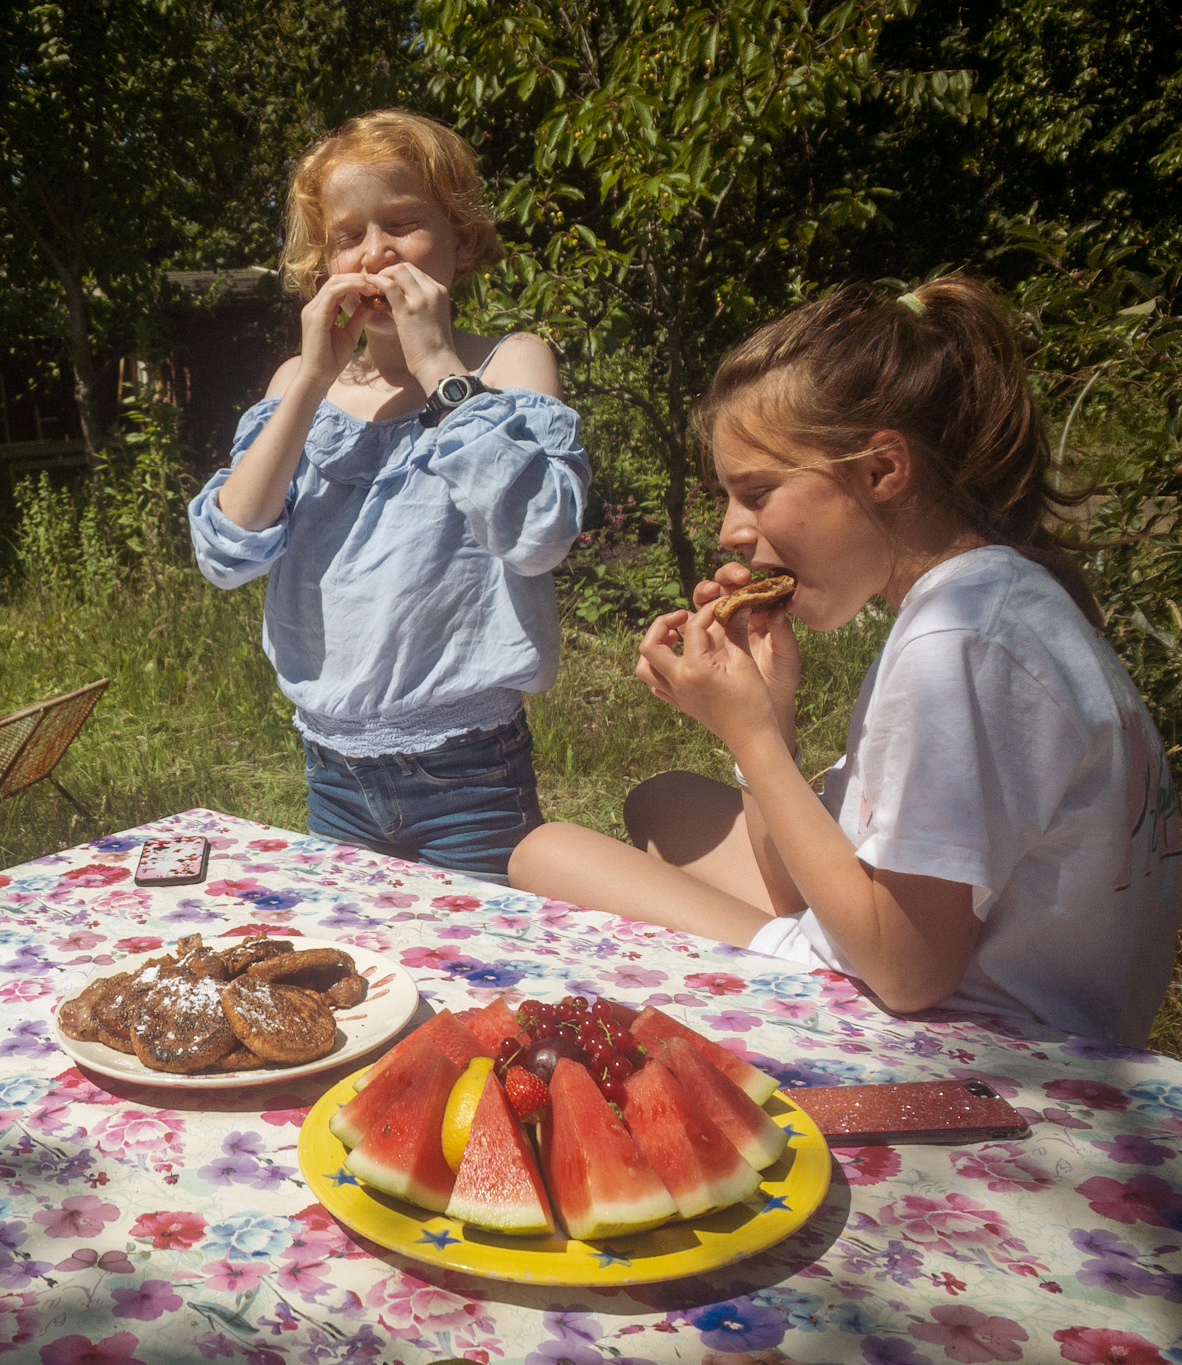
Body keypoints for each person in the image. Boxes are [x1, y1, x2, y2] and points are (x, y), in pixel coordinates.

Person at [508, 277, 1180, 1046]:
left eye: (758, 492)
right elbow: (799, 882)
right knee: (662, 799)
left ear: (881, 471)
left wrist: (754, 735)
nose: (730, 530)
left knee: (543, 850)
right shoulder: (997, 594)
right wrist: (769, 709)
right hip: (971, 966)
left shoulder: (953, 643)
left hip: (974, 1029)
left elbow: (909, 969)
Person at [188, 109, 589, 882]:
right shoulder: (299, 389)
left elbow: (541, 533)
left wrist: (439, 366)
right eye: (348, 235)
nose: (375, 252)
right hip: (334, 769)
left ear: (462, 239)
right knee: (363, 979)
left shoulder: (507, 365)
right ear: (323, 262)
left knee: (475, 980)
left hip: (469, 770)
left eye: (404, 224)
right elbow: (224, 553)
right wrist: (310, 378)